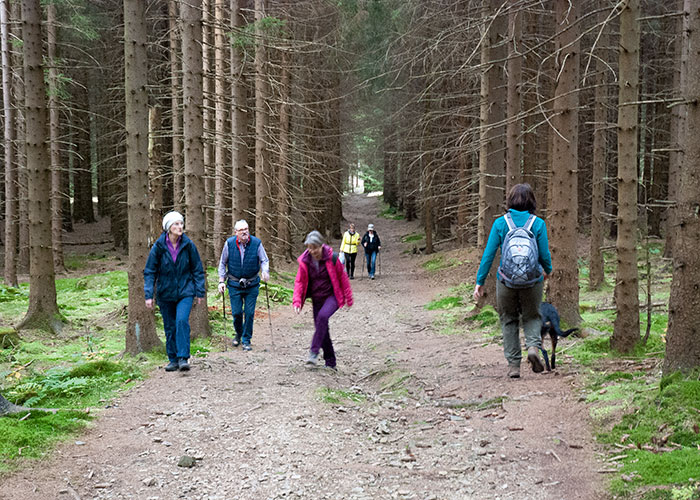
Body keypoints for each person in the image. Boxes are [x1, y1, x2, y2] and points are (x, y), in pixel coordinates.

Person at [472, 183, 553, 379]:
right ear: (531, 201)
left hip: (506, 282)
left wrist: (479, 281)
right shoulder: (538, 223)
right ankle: (533, 347)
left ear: (510, 200)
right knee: (532, 316)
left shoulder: (500, 223)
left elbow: (489, 255)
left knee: (508, 319)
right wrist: (547, 271)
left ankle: (514, 366)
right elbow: (544, 254)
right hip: (533, 280)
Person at [144, 211, 206, 372]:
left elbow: (197, 269)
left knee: (181, 321)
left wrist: (199, 291)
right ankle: (172, 359)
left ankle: (183, 357)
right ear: (168, 228)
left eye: (181, 223)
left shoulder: (188, 245)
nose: (180, 227)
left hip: (185, 291)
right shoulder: (158, 247)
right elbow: (150, 271)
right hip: (165, 293)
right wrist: (148, 294)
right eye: (176, 224)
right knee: (170, 326)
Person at [293, 230, 353, 370]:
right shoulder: (305, 261)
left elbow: (342, 278)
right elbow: (300, 282)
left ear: (321, 246)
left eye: (315, 247)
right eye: (309, 247)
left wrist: (348, 297)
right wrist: (297, 301)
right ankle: (331, 362)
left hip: (332, 296)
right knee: (322, 328)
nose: (312, 251)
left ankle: (313, 352)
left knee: (322, 317)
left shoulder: (332, 258)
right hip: (316, 298)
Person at [217, 219, 270, 351]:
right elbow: (223, 262)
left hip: (252, 284)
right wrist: (221, 281)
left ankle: (246, 339)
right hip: (234, 284)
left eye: (246, 229)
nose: (245, 232)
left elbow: (264, 260)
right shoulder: (229, 244)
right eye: (241, 230)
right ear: (236, 232)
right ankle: (238, 334)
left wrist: (265, 271)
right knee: (236, 313)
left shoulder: (256, 243)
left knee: (250, 313)